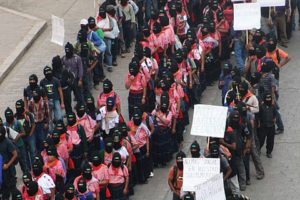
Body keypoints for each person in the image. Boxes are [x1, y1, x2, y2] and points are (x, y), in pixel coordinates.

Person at [4, 107, 28, 173]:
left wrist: (17, 136)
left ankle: (26, 174)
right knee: (11, 163)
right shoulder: (4, 125)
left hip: (19, 145)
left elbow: (24, 132)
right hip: (10, 148)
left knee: (23, 162)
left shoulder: (17, 123)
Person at [15, 99, 36, 170]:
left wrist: (30, 134)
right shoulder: (15, 117)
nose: (18, 109)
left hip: (30, 136)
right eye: (17, 107)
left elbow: (33, 124)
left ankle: (34, 167)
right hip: (21, 138)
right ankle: (29, 169)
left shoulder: (28, 114)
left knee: (33, 152)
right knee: (25, 154)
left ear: (23, 107)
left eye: (19, 107)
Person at [28, 88, 49, 152]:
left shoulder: (44, 102)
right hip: (34, 125)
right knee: (35, 142)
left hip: (42, 123)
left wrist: (46, 123)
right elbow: (29, 113)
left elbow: (47, 113)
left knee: (42, 141)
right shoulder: (31, 102)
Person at [0, 126, 18, 200]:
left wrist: (8, 165)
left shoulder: (7, 142)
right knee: (4, 191)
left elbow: (15, 154)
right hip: (1, 171)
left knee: (13, 189)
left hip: (9, 170)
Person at [258, 94, 277, 158]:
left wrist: (274, 119)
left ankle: (269, 152)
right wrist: (259, 123)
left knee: (270, 140)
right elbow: (259, 116)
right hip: (263, 126)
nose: (268, 100)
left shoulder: (273, 106)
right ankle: (258, 150)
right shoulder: (261, 107)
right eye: (267, 98)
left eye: (269, 98)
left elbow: (275, 114)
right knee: (261, 139)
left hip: (271, 126)